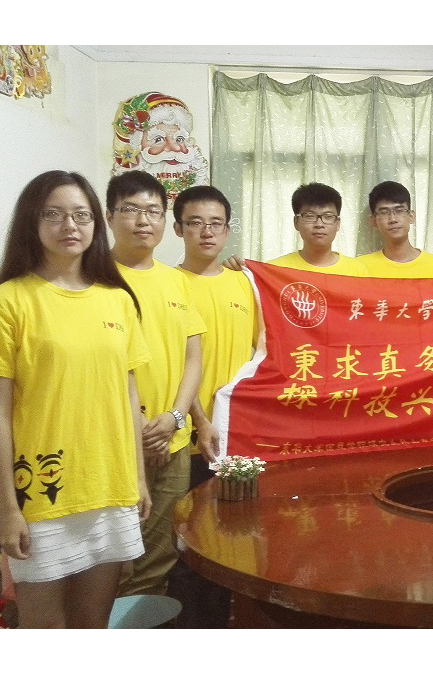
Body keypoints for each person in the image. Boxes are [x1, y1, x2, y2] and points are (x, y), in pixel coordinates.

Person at [0, 171, 151, 628]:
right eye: (53, 214)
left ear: (95, 224)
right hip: (43, 495)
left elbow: (128, 394)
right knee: (44, 630)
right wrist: (8, 508)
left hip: (109, 486)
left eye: (81, 215)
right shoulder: (7, 302)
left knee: (92, 626)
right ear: (31, 223)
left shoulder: (118, 300)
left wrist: (139, 479)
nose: (69, 225)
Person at [107, 170, 206, 597]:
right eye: (131, 210)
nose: (143, 220)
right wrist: (142, 431)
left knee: (159, 556)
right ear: (110, 216)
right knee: (113, 561)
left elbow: (193, 358)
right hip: (114, 443)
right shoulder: (96, 278)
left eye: (153, 211)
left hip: (173, 439)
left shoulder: (176, 280)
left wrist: (175, 418)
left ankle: (143, 628)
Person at [167, 185, 257, 627]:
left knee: (236, 538)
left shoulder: (245, 283)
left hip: (239, 439)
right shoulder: (166, 285)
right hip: (189, 438)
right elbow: (171, 365)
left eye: (216, 223)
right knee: (189, 542)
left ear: (227, 229)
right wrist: (200, 420)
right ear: (178, 228)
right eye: (196, 223)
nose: (206, 232)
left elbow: (264, 354)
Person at [268, 182, 366, 276]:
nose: (319, 224)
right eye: (310, 216)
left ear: (338, 223)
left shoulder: (359, 271)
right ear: (296, 222)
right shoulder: (274, 270)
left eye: (328, 216)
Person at [356, 181, 433, 278]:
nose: (393, 219)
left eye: (399, 211)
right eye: (384, 212)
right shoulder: (360, 268)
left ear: (411, 216)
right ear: (373, 221)